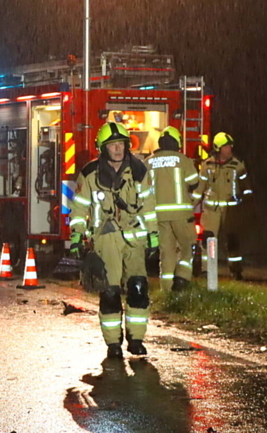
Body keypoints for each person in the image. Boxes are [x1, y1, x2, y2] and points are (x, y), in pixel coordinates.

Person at [69, 121, 157, 358]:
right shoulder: (90, 173)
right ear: (103, 148)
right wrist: (76, 234)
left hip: (135, 239)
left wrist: (153, 235)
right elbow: (80, 207)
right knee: (110, 292)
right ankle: (113, 344)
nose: (118, 149)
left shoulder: (139, 171)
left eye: (121, 144)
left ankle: (136, 340)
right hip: (105, 240)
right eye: (112, 145)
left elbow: (149, 205)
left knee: (138, 288)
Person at [146, 126, 200, 292]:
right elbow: (194, 182)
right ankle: (182, 278)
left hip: (158, 216)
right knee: (188, 247)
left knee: (166, 253)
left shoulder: (148, 162)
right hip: (181, 215)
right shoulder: (182, 160)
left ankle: (167, 290)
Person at [193, 132, 251, 279]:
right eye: (226, 146)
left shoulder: (237, 165)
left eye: (230, 146)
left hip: (231, 209)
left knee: (233, 240)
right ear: (218, 148)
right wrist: (191, 206)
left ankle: (236, 270)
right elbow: (199, 188)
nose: (229, 149)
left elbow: (246, 187)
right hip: (211, 210)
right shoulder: (207, 165)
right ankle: (208, 270)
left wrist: (246, 201)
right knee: (208, 240)